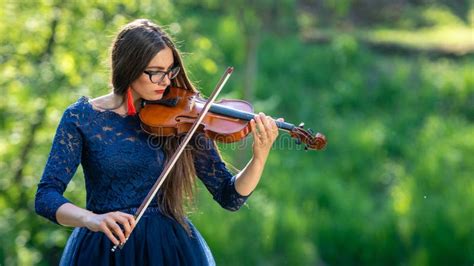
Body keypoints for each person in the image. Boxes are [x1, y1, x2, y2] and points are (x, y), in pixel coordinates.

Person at [35, 18, 282, 265]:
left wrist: (258, 158)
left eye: (170, 71)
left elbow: (230, 196)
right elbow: (46, 196)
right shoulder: (81, 118)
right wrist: (92, 219)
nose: (166, 82)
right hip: (103, 247)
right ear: (128, 67)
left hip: (167, 249)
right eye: (155, 73)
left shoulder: (183, 118)